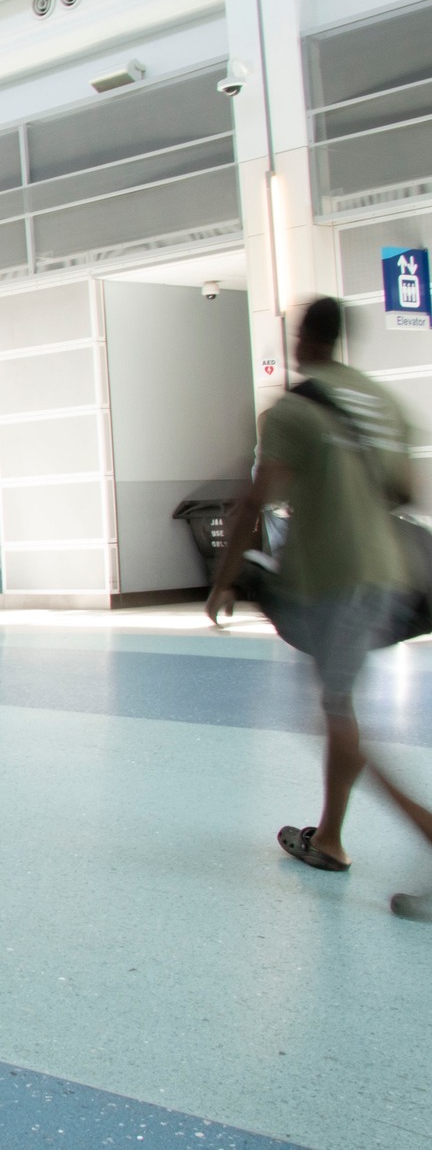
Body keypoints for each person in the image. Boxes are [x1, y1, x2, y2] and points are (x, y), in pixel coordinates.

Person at [207, 298, 432, 912]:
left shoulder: (293, 410)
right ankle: (330, 838)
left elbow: (256, 501)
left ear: (304, 339)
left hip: (335, 578)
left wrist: (224, 578)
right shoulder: (381, 401)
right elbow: (406, 488)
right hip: (389, 574)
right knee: (339, 707)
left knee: (336, 718)